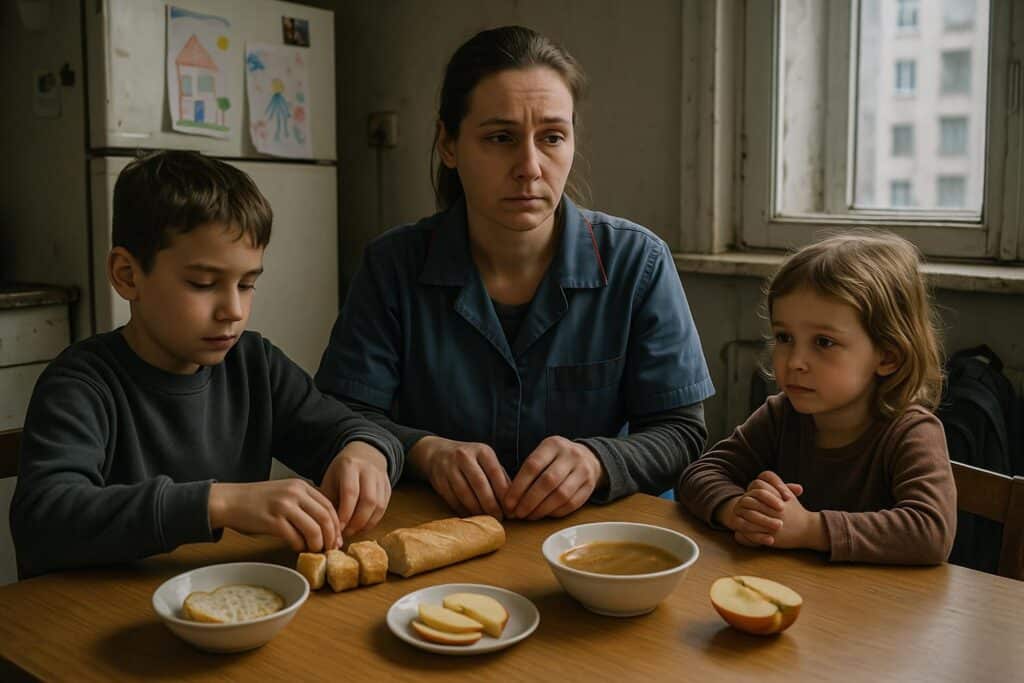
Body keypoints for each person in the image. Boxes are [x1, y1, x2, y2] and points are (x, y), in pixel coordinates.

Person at [315, 26, 714, 521]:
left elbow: (682, 431)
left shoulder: (638, 262)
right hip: (438, 536)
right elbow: (339, 415)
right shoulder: (392, 266)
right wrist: (426, 451)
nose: (529, 166)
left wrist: (599, 460)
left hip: (588, 543)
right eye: (500, 138)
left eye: (551, 137)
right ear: (448, 144)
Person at [10, 151, 403, 578]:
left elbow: (350, 430)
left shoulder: (255, 365)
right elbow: (44, 521)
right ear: (127, 275)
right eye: (202, 284)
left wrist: (366, 452)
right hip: (95, 620)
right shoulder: (81, 384)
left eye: (248, 284)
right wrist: (221, 503)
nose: (233, 309)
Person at [676, 231, 956, 565]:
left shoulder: (911, 432)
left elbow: (930, 532)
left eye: (823, 342)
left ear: (888, 357)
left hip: (878, 609)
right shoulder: (782, 415)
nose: (794, 361)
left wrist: (809, 528)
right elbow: (700, 474)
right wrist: (737, 510)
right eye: (784, 337)